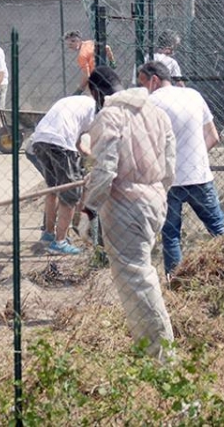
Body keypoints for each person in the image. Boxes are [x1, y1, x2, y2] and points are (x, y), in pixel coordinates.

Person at [83, 66, 177, 359]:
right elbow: (170, 166)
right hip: (156, 201)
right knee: (142, 273)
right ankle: (149, 348)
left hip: (126, 205)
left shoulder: (109, 116)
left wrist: (88, 210)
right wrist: (156, 195)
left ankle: (161, 357)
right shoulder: (156, 114)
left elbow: (105, 169)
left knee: (136, 279)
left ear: (96, 93)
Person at [137, 62, 224, 278]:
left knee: (170, 234)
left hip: (167, 180)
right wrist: (195, 155)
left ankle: (176, 282)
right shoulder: (194, 95)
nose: (143, 89)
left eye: (143, 83)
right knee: (218, 227)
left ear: (154, 80)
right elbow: (214, 137)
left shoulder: (150, 103)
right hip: (199, 175)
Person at [27, 94, 96, 255]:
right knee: (70, 194)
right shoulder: (95, 109)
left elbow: (78, 143)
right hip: (61, 143)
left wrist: (90, 157)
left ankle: (48, 235)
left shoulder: (75, 104)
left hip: (40, 140)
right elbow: (98, 138)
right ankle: (60, 242)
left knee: (53, 189)